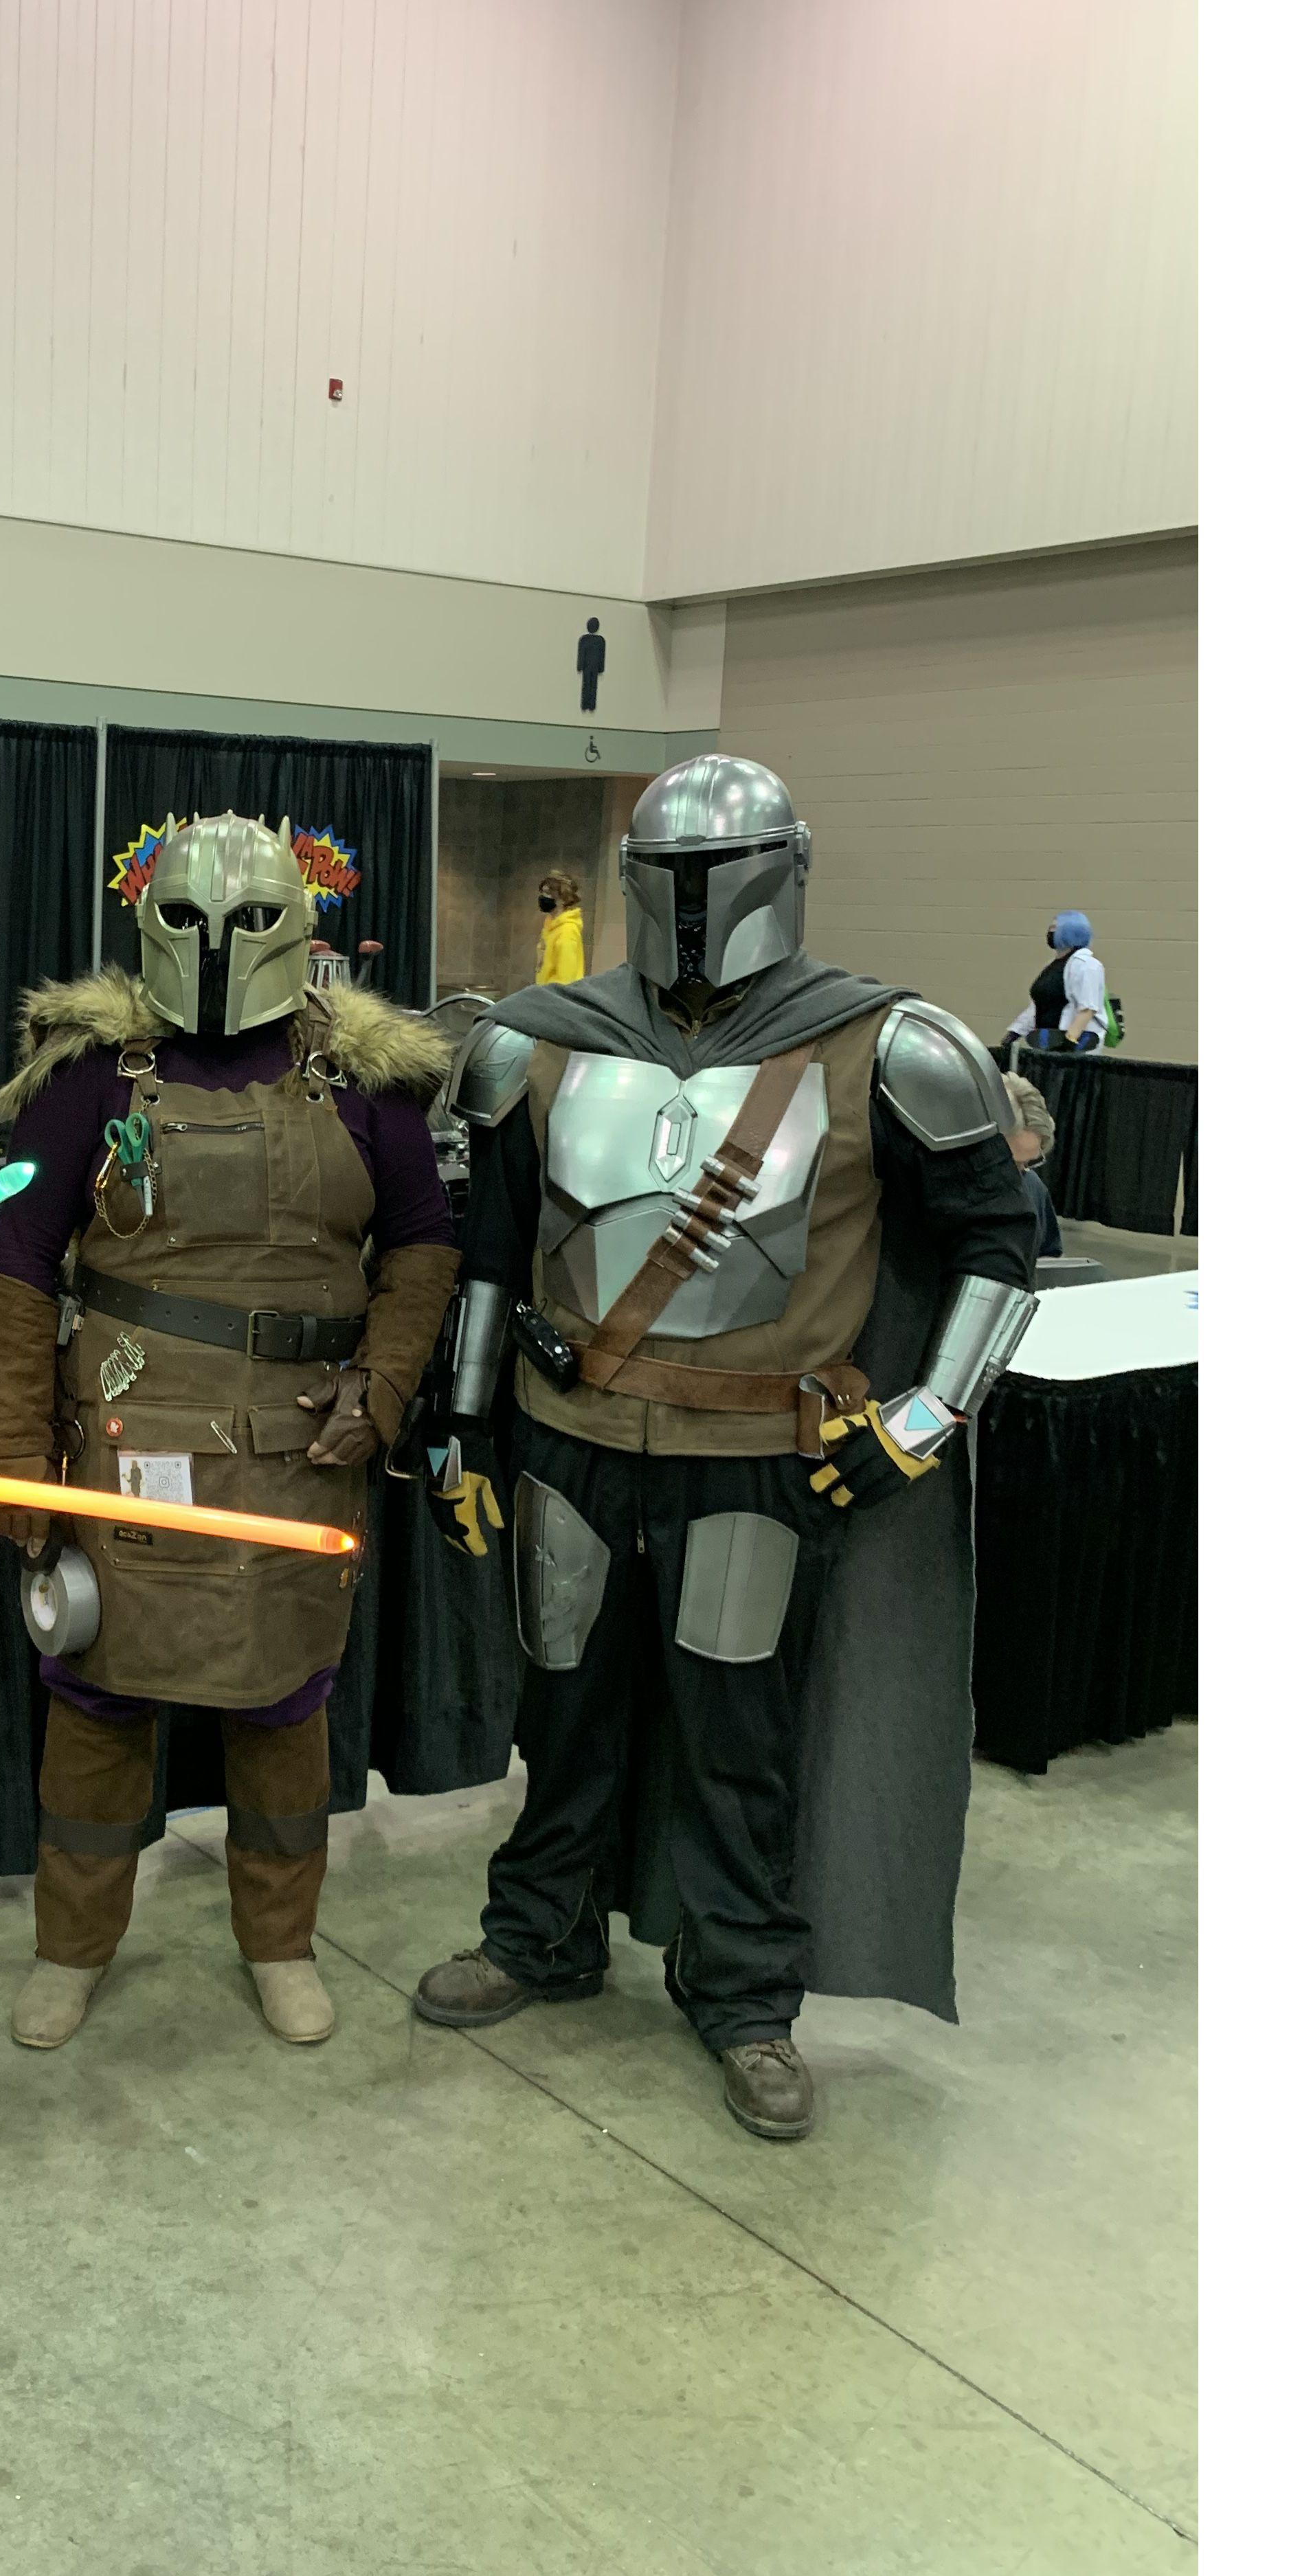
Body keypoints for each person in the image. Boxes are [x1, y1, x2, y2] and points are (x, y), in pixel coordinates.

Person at [410, 755, 1038, 2141]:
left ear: (785, 869)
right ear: (635, 881)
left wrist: (925, 1418)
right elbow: (493, 1258)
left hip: (759, 1454)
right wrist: (460, 1417)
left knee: (734, 1732)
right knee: (560, 1711)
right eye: (671, 877)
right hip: (569, 1437)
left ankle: (745, 1993)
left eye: (721, 873)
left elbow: (1003, 1246)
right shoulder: (532, 1038)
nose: (694, 904)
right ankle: (540, 1935)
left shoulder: (892, 1043)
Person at [0, 815, 460, 2048]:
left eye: (247, 920)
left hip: (298, 1449)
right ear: (147, 924)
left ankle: (280, 1942)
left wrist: (384, 1386)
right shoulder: (88, 1075)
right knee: (95, 1698)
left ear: (296, 925)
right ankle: (71, 1948)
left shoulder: (366, 1082)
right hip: (132, 1430)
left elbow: (422, 1249)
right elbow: (20, 1264)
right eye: (188, 918)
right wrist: (19, 1454)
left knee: (283, 1703)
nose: (216, 945)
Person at [1007, 909, 1110, 1051]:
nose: (1050, 932)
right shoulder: (1053, 965)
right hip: (1048, 1042)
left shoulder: (1086, 965)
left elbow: (1088, 1009)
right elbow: (1039, 1005)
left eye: (1054, 928)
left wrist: (1070, 1040)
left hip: (1075, 1048)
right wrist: (1015, 1032)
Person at [1002, 1068, 1063, 1259]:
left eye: (1029, 1162)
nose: (1021, 1173)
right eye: (1012, 1163)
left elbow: (1048, 1257)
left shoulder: (1033, 1187)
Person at [535, 868, 586, 985]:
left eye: (548, 893)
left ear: (563, 899)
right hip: (547, 995)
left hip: (556, 999)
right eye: (542, 893)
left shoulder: (567, 932)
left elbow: (566, 979)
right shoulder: (551, 927)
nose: (543, 897)